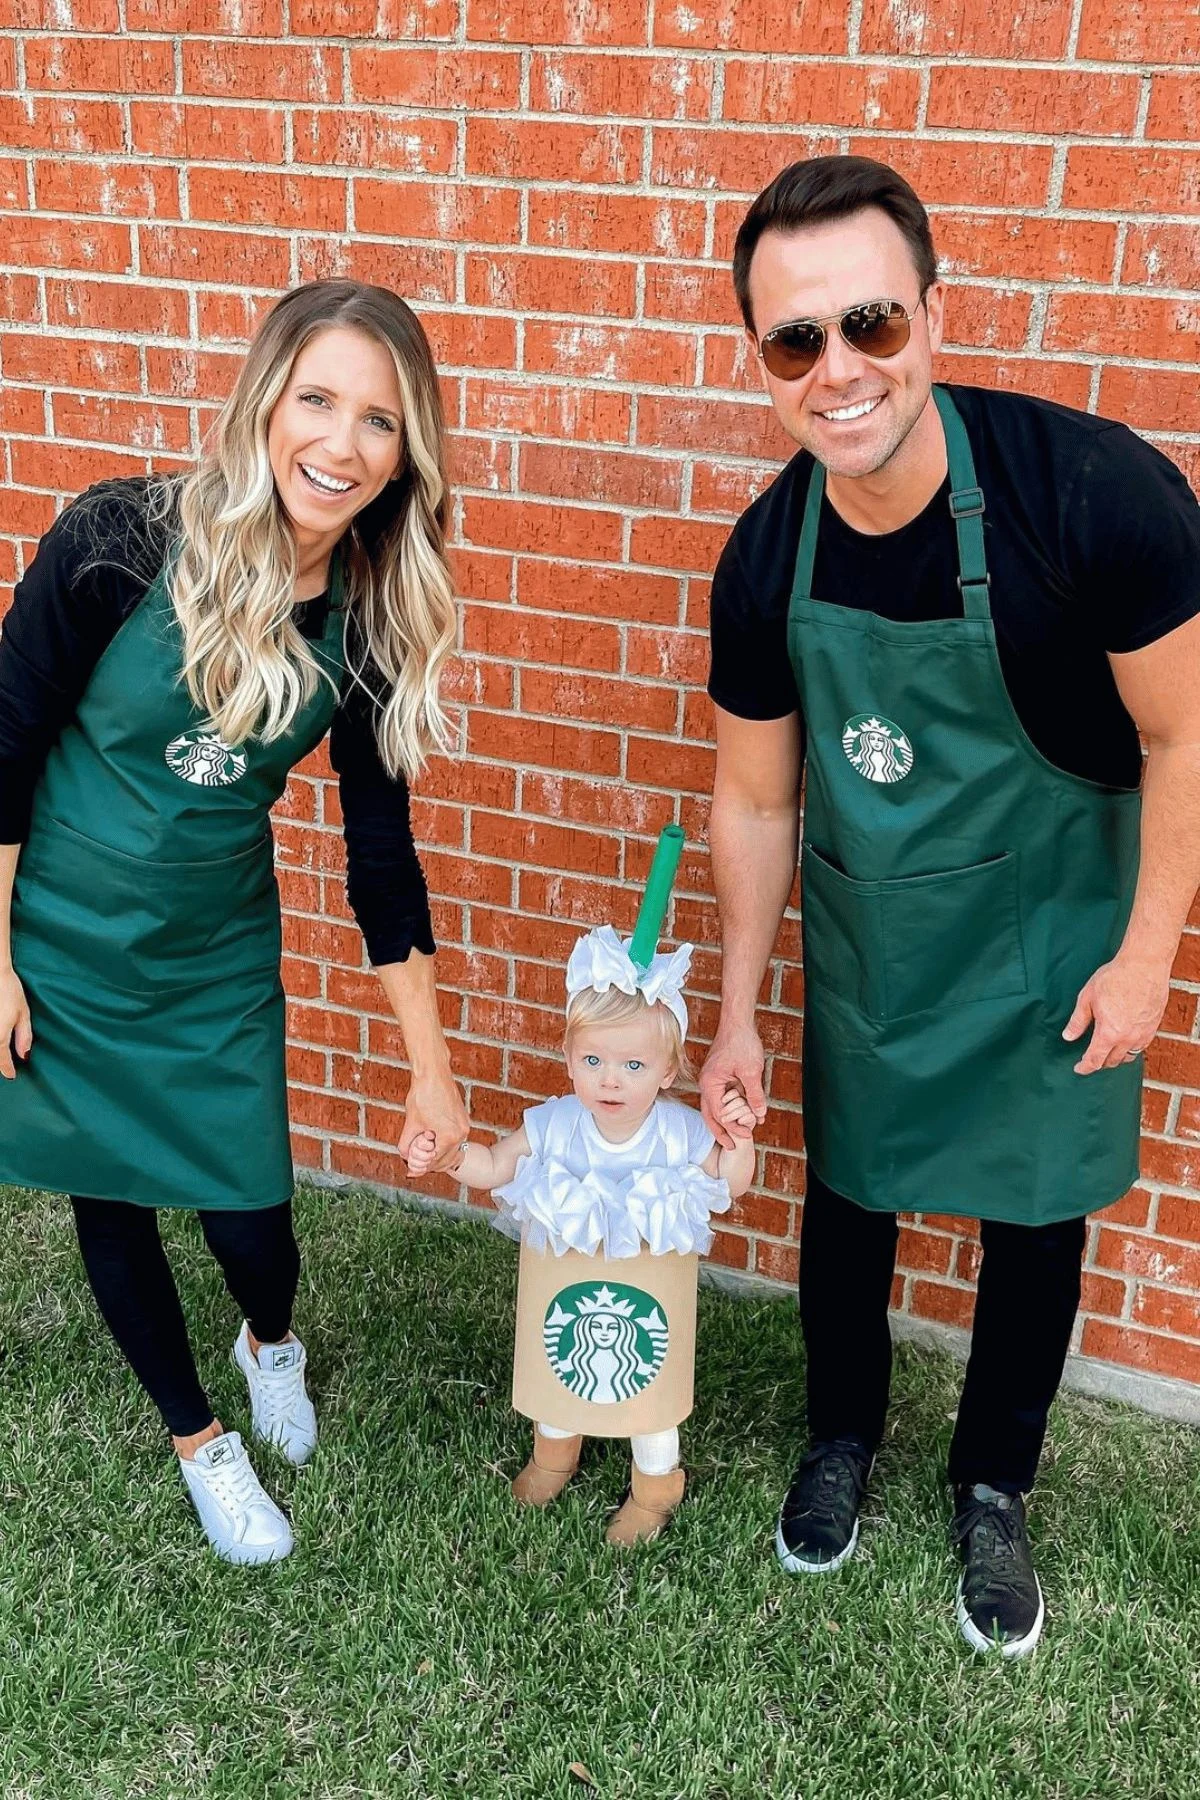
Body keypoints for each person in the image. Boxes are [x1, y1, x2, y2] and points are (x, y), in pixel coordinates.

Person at [698, 155, 1200, 1657]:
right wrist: (733, 1013)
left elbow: (1184, 735)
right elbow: (757, 801)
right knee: (850, 1196)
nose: (839, 371)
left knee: (1036, 1217)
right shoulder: (765, 554)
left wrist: (1150, 949)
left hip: (1056, 937)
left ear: (932, 312)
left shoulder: (1094, 497)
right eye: (798, 341)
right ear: (763, 361)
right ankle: (839, 1437)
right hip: (880, 943)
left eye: (870, 324)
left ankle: (994, 1483)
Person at [0, 280, 471, 1564]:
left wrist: (431, 1070)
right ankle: (201, 1443)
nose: (341, 443)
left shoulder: (370, 614)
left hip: (211, 955)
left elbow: (382, 859)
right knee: (112, 1200)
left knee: (255, 1227)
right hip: (62, 934)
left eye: (380, 420)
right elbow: (5, 746)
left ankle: (271, 1343)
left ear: (407, 448)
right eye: (316, 398)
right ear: (264, 398)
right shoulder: (117, 540)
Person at [409, 919, 756, 1544]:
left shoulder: (677, 1133)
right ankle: (553, 1455)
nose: (610, 1078)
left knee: (648, 1391)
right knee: (557, 1368)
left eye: (632, 1063)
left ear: (668, 1070)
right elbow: (494, 1166)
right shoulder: (557, 1125)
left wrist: (739, 1137)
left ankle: (655, 1484)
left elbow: (729, 1184)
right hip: (568, 1286)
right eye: (592, 1059)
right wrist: (453, 1157)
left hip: (643, 1302)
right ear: (568, 1058)